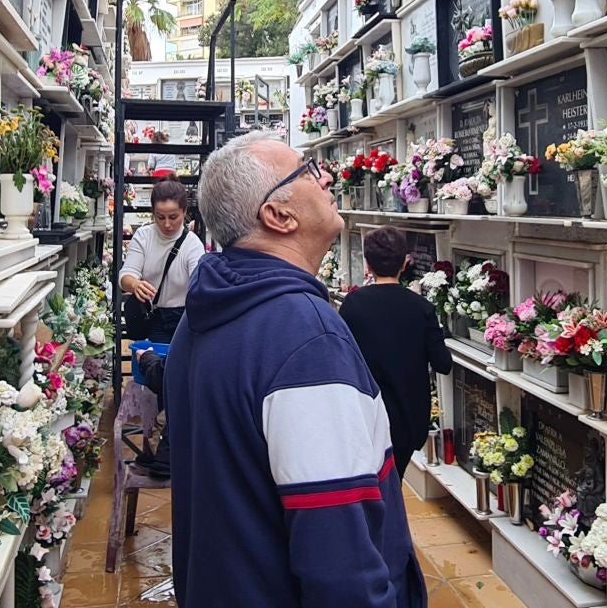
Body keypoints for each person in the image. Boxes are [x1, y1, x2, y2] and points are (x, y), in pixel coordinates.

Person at [168, 131, 423, 608]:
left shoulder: (202, 314)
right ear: (278, 215)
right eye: (307, 170)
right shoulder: (305, 339)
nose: (325, 176)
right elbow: (339, 553)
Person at [339, 227, 452, 478]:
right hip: (409, 418)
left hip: (366, 413)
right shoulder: (421, 308)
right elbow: (443, 364)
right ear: (404, 263)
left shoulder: (352, 305)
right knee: (394, 481)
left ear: (368, 264)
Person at [119, 180, 205, 344]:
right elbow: (126, 275)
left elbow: (199, 284)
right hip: (156, 315)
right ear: (153, 213)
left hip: (186, 318)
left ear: (184, 212)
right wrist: (135, 285)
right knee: (159, 365)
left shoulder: (193, 244)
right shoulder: (144, 236)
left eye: (173, 217)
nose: (167, 224)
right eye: (160, 217)